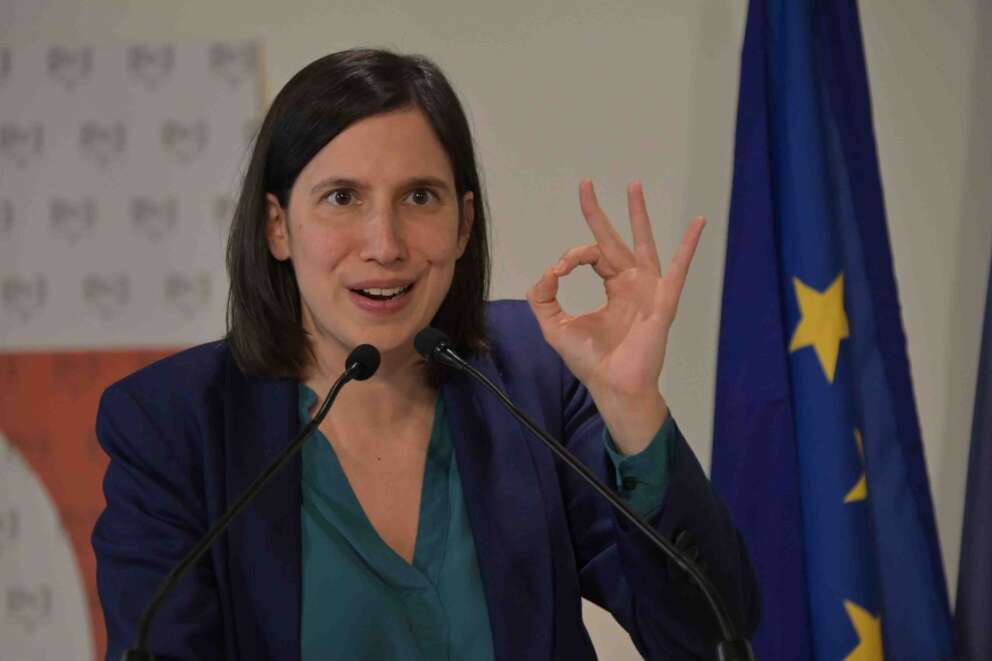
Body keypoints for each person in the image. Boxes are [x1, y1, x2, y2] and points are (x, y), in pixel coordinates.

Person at [92, 48, 759, 660]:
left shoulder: (535, 374)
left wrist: (632, 406)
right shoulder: (172, 425)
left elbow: (708, 636)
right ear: (277, 227)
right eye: (342, 198)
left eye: (419, 197)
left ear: (463, 224)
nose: (385, 244)